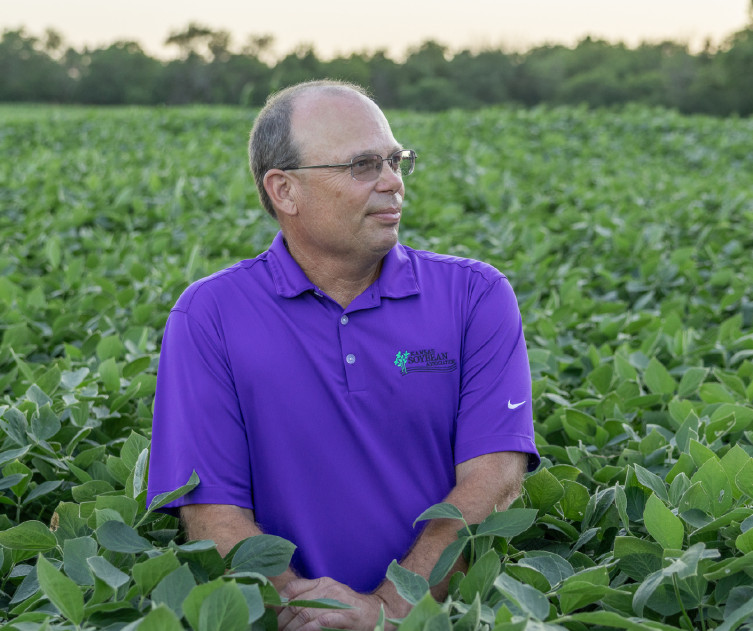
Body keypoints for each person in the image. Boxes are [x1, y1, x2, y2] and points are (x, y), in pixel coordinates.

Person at [147, 79, 540, 630]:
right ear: (284, 190)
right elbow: (209, 507)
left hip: (445, 618)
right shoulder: (210, 314)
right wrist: (305, 609)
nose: (393, 182)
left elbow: (494, 476)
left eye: (395, 160)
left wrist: (390, 610)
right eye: (362, 165)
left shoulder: (475, 295)